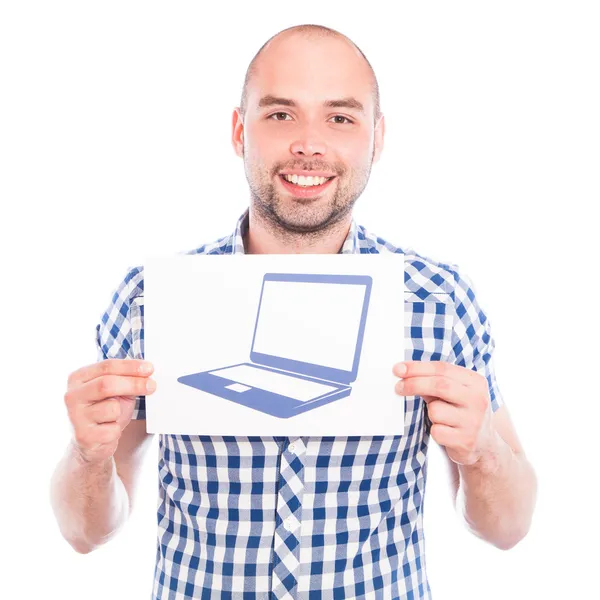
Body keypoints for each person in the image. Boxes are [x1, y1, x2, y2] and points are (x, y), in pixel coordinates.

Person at [50, 23, 537, 600]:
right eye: (281, 115)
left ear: (376, 138)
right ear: (239, 130)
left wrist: (480, 449)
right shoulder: (151, 299)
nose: (309, 143)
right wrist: (88, 455)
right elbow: (85, 534)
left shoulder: (439, 300)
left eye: (341, 118)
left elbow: (509, 528)